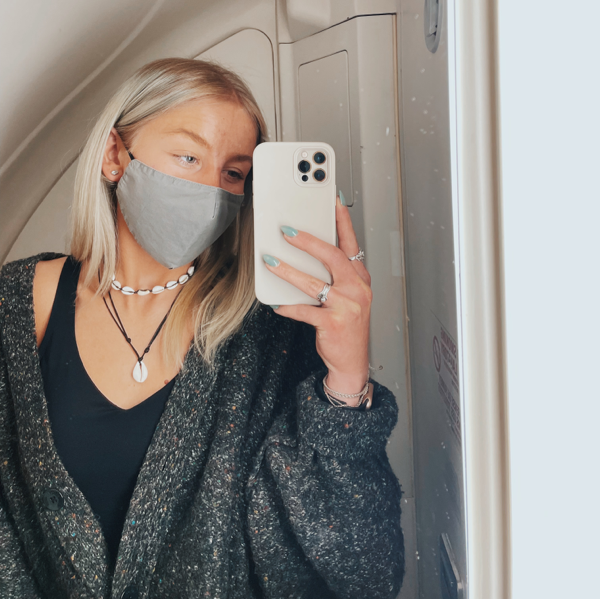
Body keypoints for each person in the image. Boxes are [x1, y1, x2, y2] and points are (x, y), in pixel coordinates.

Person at [0, 58, 405, 598]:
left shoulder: (272, 329)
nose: (212, 189)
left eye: (233, 173)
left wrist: (348, 380)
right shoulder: (16, 303)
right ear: (115, 156)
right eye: (189, 157)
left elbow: (366, 573)